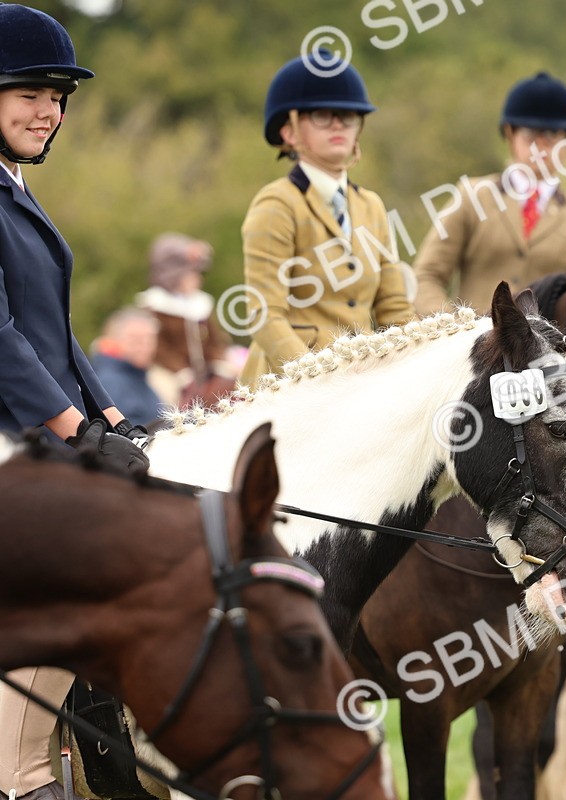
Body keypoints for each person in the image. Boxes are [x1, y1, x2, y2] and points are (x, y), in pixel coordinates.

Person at [0, 6, 148, 800]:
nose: (47, 111)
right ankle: (20, 775)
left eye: (58, 97)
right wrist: (71, 430)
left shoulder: (15, 189)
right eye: (28, 93)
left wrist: (115, 420)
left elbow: (55, 337)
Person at [239, 51, 414, 385]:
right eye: (322, 114)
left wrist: (412, 361)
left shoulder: (371, 206)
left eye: (348, 116)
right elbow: (265, 315)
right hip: (289, 382)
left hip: (362, 376)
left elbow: (393, 307)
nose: (338, 123)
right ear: (289, 132)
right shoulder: (277, 204)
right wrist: (315, 377)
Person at [412, 71, 566, 316]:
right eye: (529, 135)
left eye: (551, 137)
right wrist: (452, 330)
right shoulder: (472, 197)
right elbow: (427, 275)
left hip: (549, 351)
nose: (540, 147)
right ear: (509, 133)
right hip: (472, 347)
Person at [135, 232, 235, 407]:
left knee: (231, 383)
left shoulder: (200, 304)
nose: (197, 278)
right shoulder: (155, 305)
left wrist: (217, 363)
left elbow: (214, 341)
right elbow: (159, 347)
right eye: (191, 273)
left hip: (203, 369)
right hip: (167, 371)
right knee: (166, 396)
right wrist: (181, 372)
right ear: (175, 276)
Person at [90, 307, 165, 427]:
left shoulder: (137, 376)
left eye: (150, 339)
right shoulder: (110, 381)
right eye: (135, 339)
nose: (144, 346)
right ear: (113, 340)